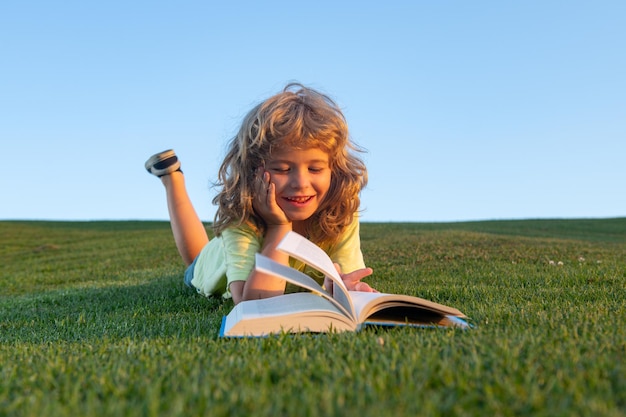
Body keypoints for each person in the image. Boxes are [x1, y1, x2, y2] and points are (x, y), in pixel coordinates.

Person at [145, 83, 375, 305]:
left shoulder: (340, 211)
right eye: (282, 169)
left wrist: (343, 286)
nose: (301, 183)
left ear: (334, 170)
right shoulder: (242, 219)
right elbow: (255, 302)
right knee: (195, 259)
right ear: (253, 171)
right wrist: (279, 228)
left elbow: (346, 277)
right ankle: (172, 178)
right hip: (212, 263)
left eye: (315, 168)